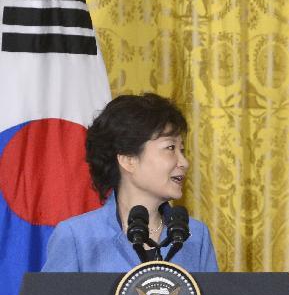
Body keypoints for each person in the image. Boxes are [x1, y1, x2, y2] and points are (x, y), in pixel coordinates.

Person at [42, 93, 218, 272]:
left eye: (182, 150)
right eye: (170, 148)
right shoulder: (76, 237)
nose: (184, 162)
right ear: (128, 160)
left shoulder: (195, 235)